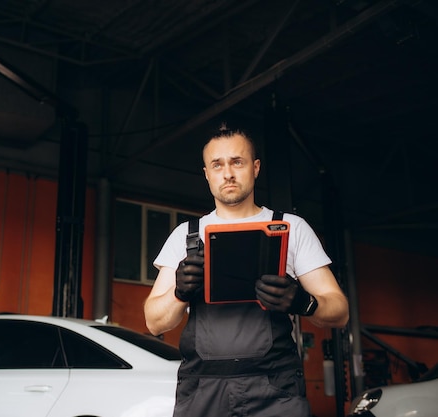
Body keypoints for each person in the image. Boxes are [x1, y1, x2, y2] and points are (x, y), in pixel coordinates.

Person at [144, 127, 349, 417]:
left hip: (276, 390)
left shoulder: (291, 228)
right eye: (217, 165)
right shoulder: (185, 236)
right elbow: (154, 322)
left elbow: (340, 312)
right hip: (202, 390)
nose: (227, 173)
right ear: (206, 174)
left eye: (237, 162)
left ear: (255, 168)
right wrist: (179, 294)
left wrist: (305, 302)